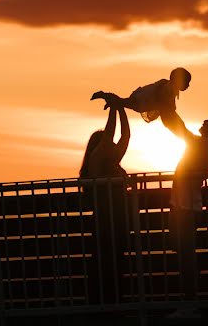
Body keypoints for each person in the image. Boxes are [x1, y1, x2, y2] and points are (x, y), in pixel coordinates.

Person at [162, 109, 208, 318]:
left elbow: (178, 128)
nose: (204, 120)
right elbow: (178, 128)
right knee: (181, 249)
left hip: (186, 206)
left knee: (185, 255)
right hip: (184, 204)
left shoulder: (202, 145)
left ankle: (190, 302)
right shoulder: (205, 145)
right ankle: (190, 298)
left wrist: (166, 106)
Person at [79, 94, 131, 305]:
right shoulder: (98, 161)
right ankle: (104, 302)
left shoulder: (110, 161)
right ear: (98, 146)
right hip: (106, 219)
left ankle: (114, 301)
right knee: (106, 263)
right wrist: (114, 108)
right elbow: (111, 134)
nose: (110, 144)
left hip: (116, 219)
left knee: (116, 262)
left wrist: (120, 107)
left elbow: (125, 137)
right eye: (105, 142)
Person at [91, 67, 191, 124]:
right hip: (144, 100)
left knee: (123, 102)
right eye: (187, 82)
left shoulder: (169, 86)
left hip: (144, 99)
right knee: (124, 102)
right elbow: (166, 101)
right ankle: (107, 96)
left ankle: (109, 99)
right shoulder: (170, 88)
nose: (188, 85)